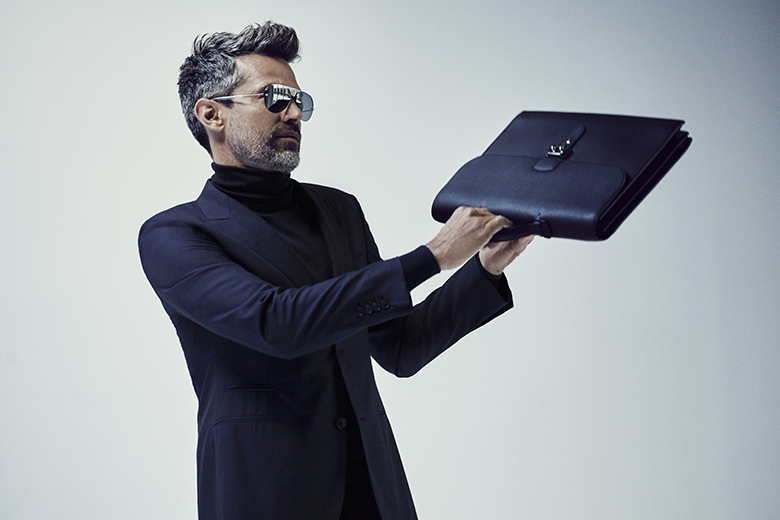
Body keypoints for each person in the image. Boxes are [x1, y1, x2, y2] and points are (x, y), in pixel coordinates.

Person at [138, 21, 533, 520]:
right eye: (273, 98)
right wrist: (431, 256)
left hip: (373, 491)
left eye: (299, 101)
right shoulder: (174, 235)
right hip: (265, 496)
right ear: (212, 113)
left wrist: (485, 268)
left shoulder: (338, 210)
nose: (292, 113)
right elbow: (276, 323)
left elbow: (400, 346)